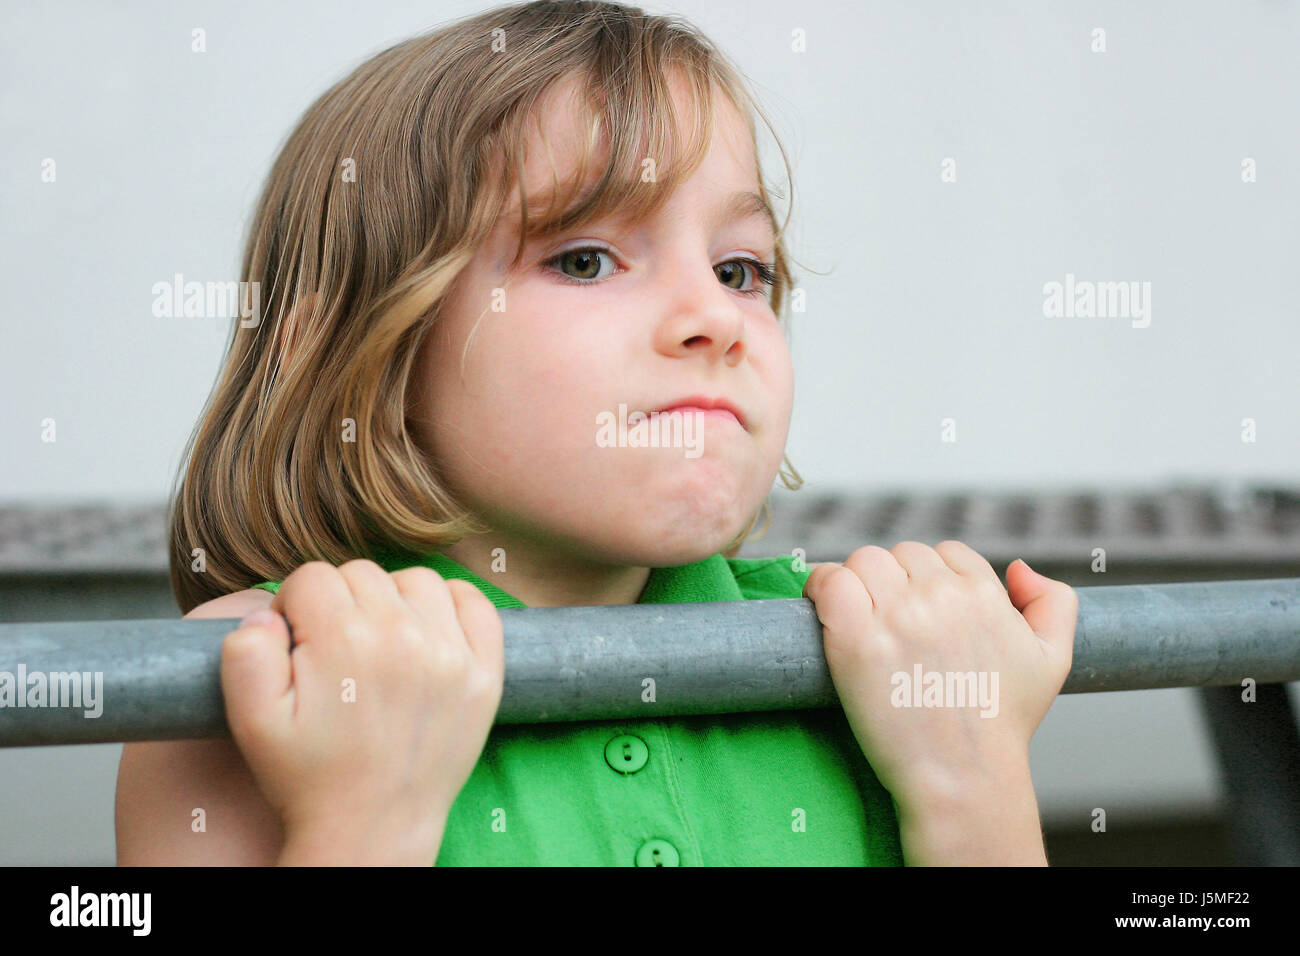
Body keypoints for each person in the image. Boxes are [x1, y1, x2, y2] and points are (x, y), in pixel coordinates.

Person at [116, 0, 1077, 866]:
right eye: (584, 259)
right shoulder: (259, 667)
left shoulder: (879, 651)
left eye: (742, 268)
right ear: (358, 360)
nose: (714, 316)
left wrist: (972, 784)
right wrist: (364, 821)